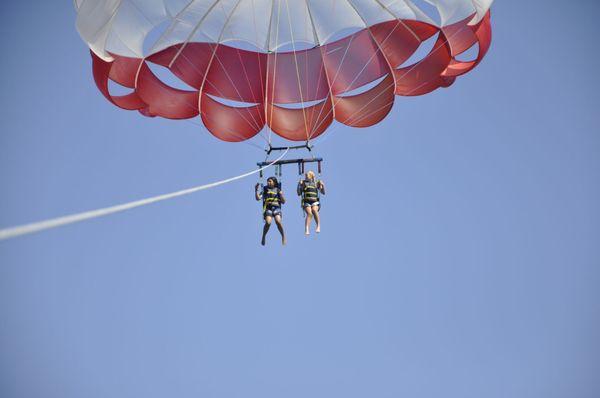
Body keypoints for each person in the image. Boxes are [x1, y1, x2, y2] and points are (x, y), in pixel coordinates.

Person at [255, 177, 286, 246]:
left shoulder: (278, 190)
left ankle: (283, 236)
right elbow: (258, 198)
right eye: (267, 181)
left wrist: (281, 194)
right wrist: (256, 190)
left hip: (276, 208)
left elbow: (283, 202)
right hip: (268, 209)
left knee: (278, 221)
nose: (268, 182)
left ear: (274, 182)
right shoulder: (265, 190)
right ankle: (263, 236)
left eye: (270, 181)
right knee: (268, 223)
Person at [297, 170, 325, 235]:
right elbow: (299, 193)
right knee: (309, 214)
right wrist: (299, 185)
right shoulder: (303, 183)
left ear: (311, 176)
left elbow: (323, 192)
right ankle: (307, 229)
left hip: (315, 201)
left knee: (314, 210)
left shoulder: (316, 183)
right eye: (305, 175)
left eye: (307, 175)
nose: (305, 177)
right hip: (306, 202)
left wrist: (322, 185)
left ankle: (318, 226)